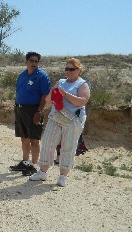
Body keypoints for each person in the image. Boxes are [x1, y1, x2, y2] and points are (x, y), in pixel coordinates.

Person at [29, 58, 90, 187]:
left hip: (73, 120)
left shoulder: (82, 84)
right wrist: (54, 92)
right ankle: (43, 172)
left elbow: (82, 101)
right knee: (47, 143)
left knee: (68, 147)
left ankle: (63, 176)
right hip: (56, 117)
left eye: (71, 69)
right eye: (66, 69)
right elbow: (48, 100)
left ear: (79, 70)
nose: (68, 71)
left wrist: (65, 94)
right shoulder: (61, 82)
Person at [9, 52, 51, 176]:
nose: (34, 63)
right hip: (20, 109)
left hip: (34, 110)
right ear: (26, 62)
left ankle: (33, 166)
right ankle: (25, 162)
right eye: (31, 60)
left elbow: (45, 95)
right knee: (24, 138)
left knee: (34, 139)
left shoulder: (42, 76)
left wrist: (39, 111)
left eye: (36, 61)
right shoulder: (22, 75)